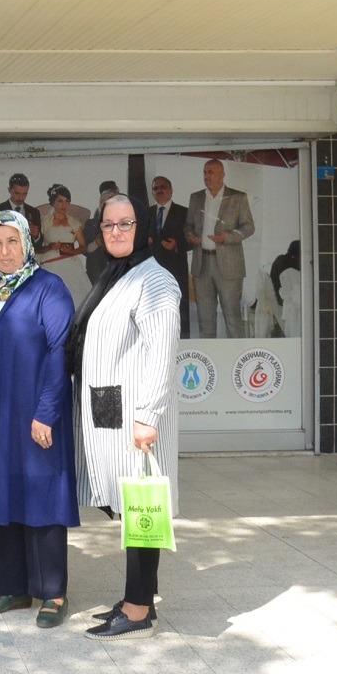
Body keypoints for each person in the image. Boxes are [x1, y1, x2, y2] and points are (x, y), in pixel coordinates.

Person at [69, 193, 181, 640]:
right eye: (109, 224)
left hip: (136, 416)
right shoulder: (117, 274)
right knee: (130, 506)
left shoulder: (155, 280)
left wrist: (148, 415)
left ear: (142, 227)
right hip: (112, 411)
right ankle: (140, 596)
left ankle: (137, 611)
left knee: (141, 509)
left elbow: (162, 352)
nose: (116, 231)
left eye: (126, 223)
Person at [0, 212, 79, 628]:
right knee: (4, 494)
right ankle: (13, 587)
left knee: (43, 494)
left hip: (35, 415)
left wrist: (46, 413)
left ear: (27, 243)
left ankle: (53, 592)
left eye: (12, 241)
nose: (5, 251)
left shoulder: (48, 288)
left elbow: (59, 351)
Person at [184, 159, 256, 338]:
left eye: (211, 172)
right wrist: (191, 236)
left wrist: (227, 237)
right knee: (205, 318)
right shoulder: (196, 197)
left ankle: (236, 354)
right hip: (202, 264)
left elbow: (249, 227)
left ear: (222, 175)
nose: (207, 176)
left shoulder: (238, 197)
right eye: (205, 172)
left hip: (229, 265)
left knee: (232, 317)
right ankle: (209, 355)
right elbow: (188, 225)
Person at [148, 176, 191, 338]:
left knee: (178, 306)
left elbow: (193, 239)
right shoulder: (146, 213)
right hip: (152, 269)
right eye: (155, 188)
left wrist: (177, 244)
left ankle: (183, 341)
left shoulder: (184, 212)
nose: (159, 190)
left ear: (171, 190)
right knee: (154, 307)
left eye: (163, 187)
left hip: (176, 267)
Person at [36, 183, 89, 306]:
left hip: (70, 263)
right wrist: (49, 247)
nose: (64, 205)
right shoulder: (44, 222)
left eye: (67, 201)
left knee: (75, 298)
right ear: (53, 203)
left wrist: (73, 251)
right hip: (50, 264)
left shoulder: (74, 223)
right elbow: (36, 246)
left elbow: (83, 246)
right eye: (60, 201)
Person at [0, 174, 43, 249]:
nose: (20, 198)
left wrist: (36, 236)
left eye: (24, 194)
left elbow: (39, 245)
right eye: (17, 193)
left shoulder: (34, 212)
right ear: (9, 190)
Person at [82, 180, 120, 286]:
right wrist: (97, 243)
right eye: (105, 201)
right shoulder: (91, 224)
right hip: (97, 273)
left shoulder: (124, 224)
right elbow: (84, 249)